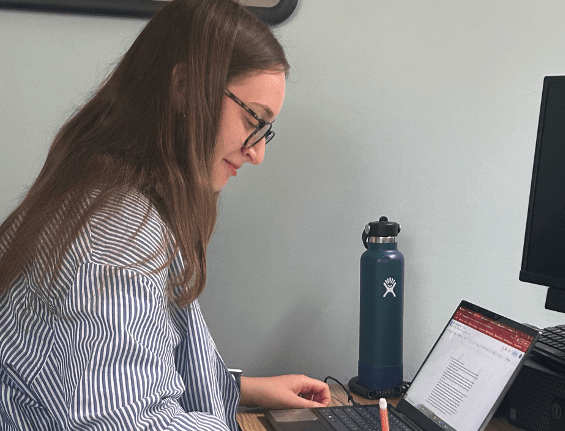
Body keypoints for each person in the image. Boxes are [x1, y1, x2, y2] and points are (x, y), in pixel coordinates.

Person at [0, 0, 331, 429]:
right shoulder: (120, 237)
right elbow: (124, 419)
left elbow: (105, 364)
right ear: (185, 88)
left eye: (266, 129)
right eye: (254, 118)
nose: (257, 152)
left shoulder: (98, 187)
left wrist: (244, 387)